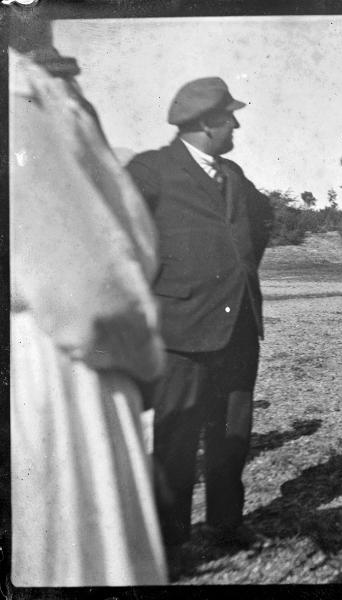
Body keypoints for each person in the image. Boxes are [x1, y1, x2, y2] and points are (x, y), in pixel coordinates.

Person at [9, 16, 168, 586]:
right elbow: (75, 269)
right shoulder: (20, 94)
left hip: (54, 336)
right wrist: (143, 354)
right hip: (64, 357)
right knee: (82, 551)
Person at [126, 78, 274, 579]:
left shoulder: (233, 173)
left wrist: (241, 273)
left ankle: (226, 524)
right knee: (176, 442)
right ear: (208, 123)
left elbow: (264, 221)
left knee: (232, 435)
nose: (236, 123)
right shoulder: (151, 170)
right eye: (229, 116)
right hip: (180, 334)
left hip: (237, 329)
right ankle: (168, 546)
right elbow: (122, 237)